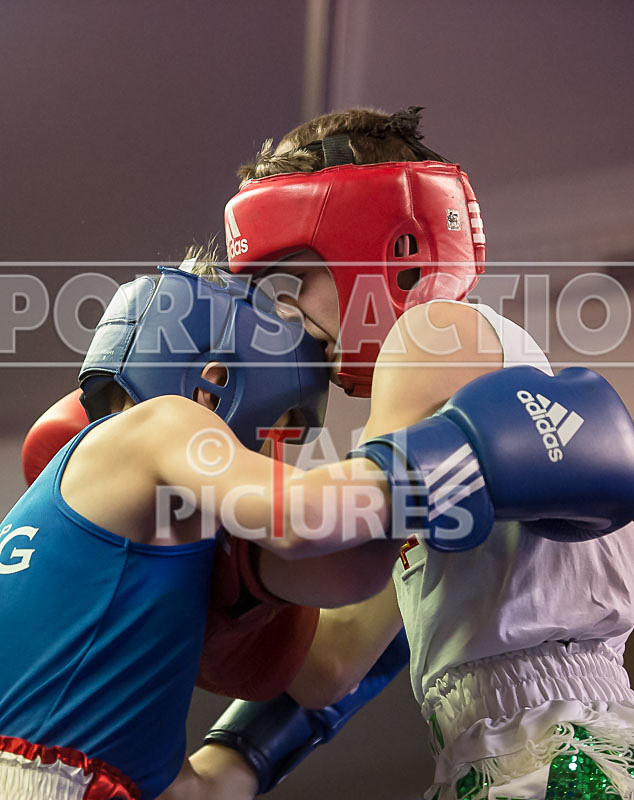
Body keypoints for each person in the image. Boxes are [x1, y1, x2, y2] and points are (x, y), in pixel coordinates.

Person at [13, 258, 623, 800]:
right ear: (215, 382)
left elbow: (198, 784)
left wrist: (408, 611)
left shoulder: (114, 566)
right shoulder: (161, 423)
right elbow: (309, 519)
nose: (272, 454)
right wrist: (470, 449)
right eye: (278, 427)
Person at [190, 106, 634, 800]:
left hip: (553, 752)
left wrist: (172, 475)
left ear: (383, 247)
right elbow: (330, 663)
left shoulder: (434, 331)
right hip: (504, 748)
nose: (290, 313)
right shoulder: (444, 454)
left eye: (296, 276)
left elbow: (319, 527)